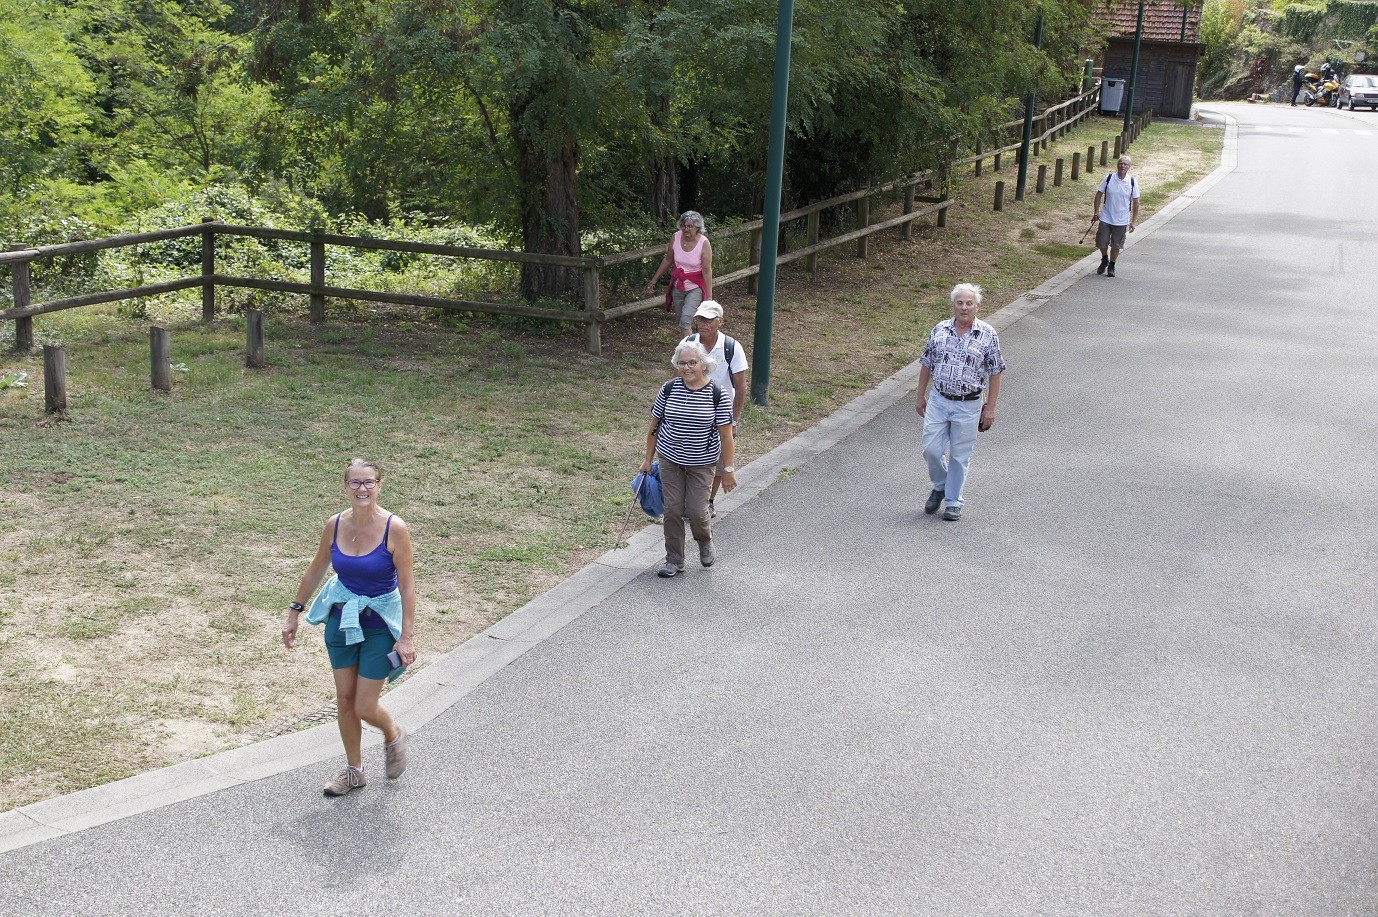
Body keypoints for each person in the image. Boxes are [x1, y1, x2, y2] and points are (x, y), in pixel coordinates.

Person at [282, 458, 417, 797]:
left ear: (380, 485)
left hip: (378, 626)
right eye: (355, 482)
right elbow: (316, 568)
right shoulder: (335, 524)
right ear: (345, 486)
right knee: (344, 700)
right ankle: (354, 771)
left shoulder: (394, 528)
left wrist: (406, 637)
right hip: (342, 621)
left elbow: (407, 585)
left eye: (369, 482)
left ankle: (392, 733)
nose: (362, 489)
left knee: (364, 706)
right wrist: (294, 611)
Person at [642, 341, 737, 576]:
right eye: (682, 363)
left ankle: (705, 542)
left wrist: (728, 469)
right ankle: (674, 560)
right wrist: (647, 459)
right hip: (670, 458)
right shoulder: (668, 389)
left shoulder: (718, 393)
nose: (687, 368)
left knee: (696, 510)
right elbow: (655, 425)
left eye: (692, 362)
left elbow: (726, 436)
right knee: (673, 509)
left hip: (702, 462)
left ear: (703, 364)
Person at [916, 284, 1006, 522]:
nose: (964, 307)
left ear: (977, 306)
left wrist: (991, 407)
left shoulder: (988, 334)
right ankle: (941, 484)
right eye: (960, 303)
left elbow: (996, 371)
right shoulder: (940, 330)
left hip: (969, 404)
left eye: (969, 303)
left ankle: (953, 501)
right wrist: (920, 395)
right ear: (953, 305)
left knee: (959, 455)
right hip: (939, 399)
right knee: (931, 449)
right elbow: (927, 363)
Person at [676, 300, 747, 518]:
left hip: (718, 410)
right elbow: (676, 375)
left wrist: (733, 420)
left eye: (708, 319)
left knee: (717, 459)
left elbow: (741, 386)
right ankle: (686, 502)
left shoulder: (731, 347)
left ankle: (708, 501)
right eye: (700, 319)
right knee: (686, 454)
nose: (703, 324)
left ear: (720, 321)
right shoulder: (688, 343)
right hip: (690, 408)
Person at [645, 211, 715, 331]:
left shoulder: (704, 243)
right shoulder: (676, 237)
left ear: (698, 228)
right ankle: (694, 345)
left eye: (690, 226)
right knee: (680, 320)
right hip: (678, 285)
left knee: (685, 320)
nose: (686, 229)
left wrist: (709, 296)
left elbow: (707, 271)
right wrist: (654, 279)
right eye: (684, 226)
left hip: (695, 286)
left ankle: (688, 349)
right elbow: (668, 259)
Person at [1093, 155, 1140, 278]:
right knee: (1101, 241)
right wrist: (1096, 212)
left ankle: (1112, 265)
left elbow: (1136, 202)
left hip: (1122, 219)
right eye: (1121, 163)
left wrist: (1133, 221)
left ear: (1129, 167)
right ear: (1117, 165)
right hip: (1106, 216)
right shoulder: (1109, 178)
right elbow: (1098, 195)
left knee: (1116, 244)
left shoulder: (1132, 182)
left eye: (1125, 164)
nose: (1122, 166)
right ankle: (1104, 259)